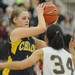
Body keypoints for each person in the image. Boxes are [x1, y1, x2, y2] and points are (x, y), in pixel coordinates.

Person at [0, 25, 74, 75]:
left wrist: (2, 64)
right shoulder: (70, 56)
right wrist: (72, 50)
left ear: (46, 38)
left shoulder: (43, 52)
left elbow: (21, 65)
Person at [1, 3, 47, 75]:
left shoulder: (32, 39)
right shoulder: (16, 33)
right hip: (11, 73)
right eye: (24, 18)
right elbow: (42, 28)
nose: (27, 20)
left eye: (28, 18)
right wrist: (40, 13)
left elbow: (48, 46)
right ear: (15, 20)